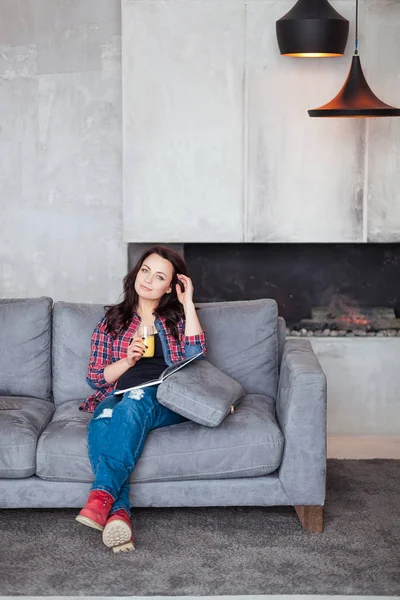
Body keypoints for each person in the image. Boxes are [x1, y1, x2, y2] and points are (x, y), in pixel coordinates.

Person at [76, 245, 207, 552]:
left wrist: (187, 302)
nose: (149, 280)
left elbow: (196, 355)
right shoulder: (114, 320)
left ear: (170, 287)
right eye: (145, 270)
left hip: (166, 396)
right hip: (117, 393)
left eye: (160, 276)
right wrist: (127, 360)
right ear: (136, 273)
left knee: (136, 399)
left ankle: (101, 497)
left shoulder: (176, 318)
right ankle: (118, 514)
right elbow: (95, 377)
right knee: (104, 418)